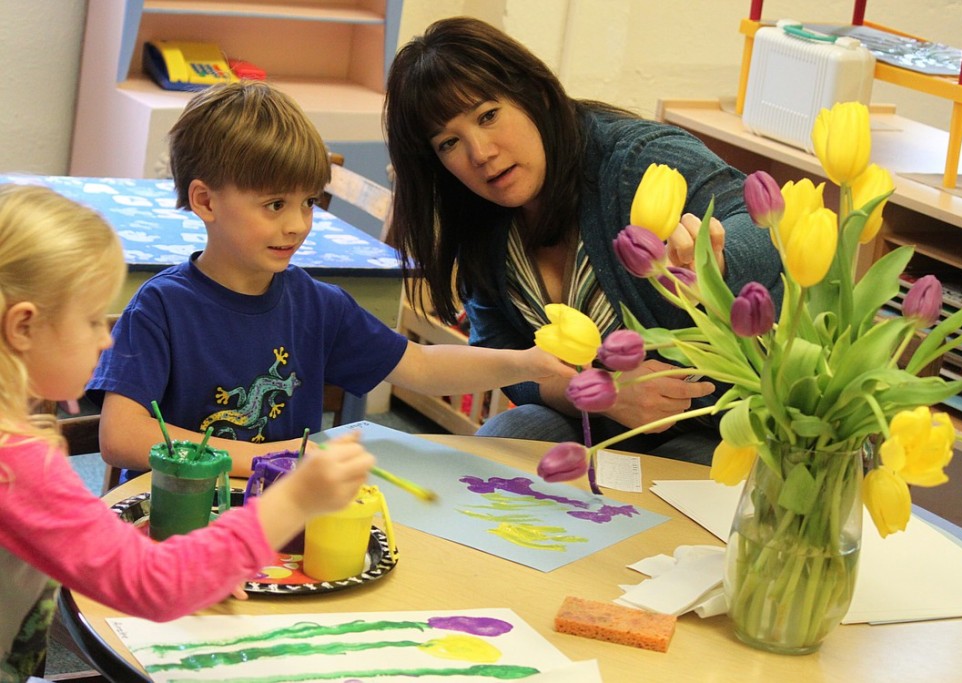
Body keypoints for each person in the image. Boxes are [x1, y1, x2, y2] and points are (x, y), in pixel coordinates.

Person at [87, 80, 572, 478]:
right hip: (179, 522)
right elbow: (123, 437)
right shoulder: (161, 308)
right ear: (206, 201)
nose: (298, 224)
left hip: (281, 517)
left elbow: (420, 366)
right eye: (275, 204)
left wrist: (525, 363)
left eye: (308, 202)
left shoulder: (317, 304)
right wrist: (268, 459)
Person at [0, 184, 377, 680]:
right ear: (23, 327)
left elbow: (77, 545)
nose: (106, 337)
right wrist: (295, 501)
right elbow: (154, 587)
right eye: (92, 319)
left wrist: (207, 561)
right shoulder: (18, 466)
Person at [383, 17, 784, 465]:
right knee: (505, 438)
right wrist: (603, 396)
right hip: (601, 418)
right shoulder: (477, 216)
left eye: (489, 115)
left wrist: (716, 264)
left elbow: (767, 227)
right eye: (449, 142)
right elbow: (506, 358)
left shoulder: (633, 160)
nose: (481, 153)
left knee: (671, 487)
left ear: (532, 93)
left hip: (721, 418)